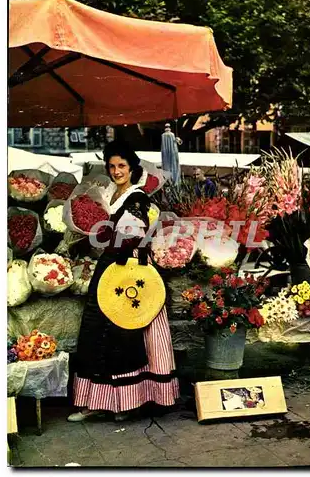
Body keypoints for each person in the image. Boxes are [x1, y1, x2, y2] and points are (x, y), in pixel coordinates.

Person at [68, 141, 179, 422]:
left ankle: (129, 402)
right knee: (95, 329)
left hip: (131, 268)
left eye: (122, 166)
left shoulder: (138, 198)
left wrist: (100, 236)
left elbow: (131, 236)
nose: (116, 171)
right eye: (112, 166)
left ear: (132, 168)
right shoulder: (109, 194)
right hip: (109, 266)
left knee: (125, 332)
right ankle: (96, 401)